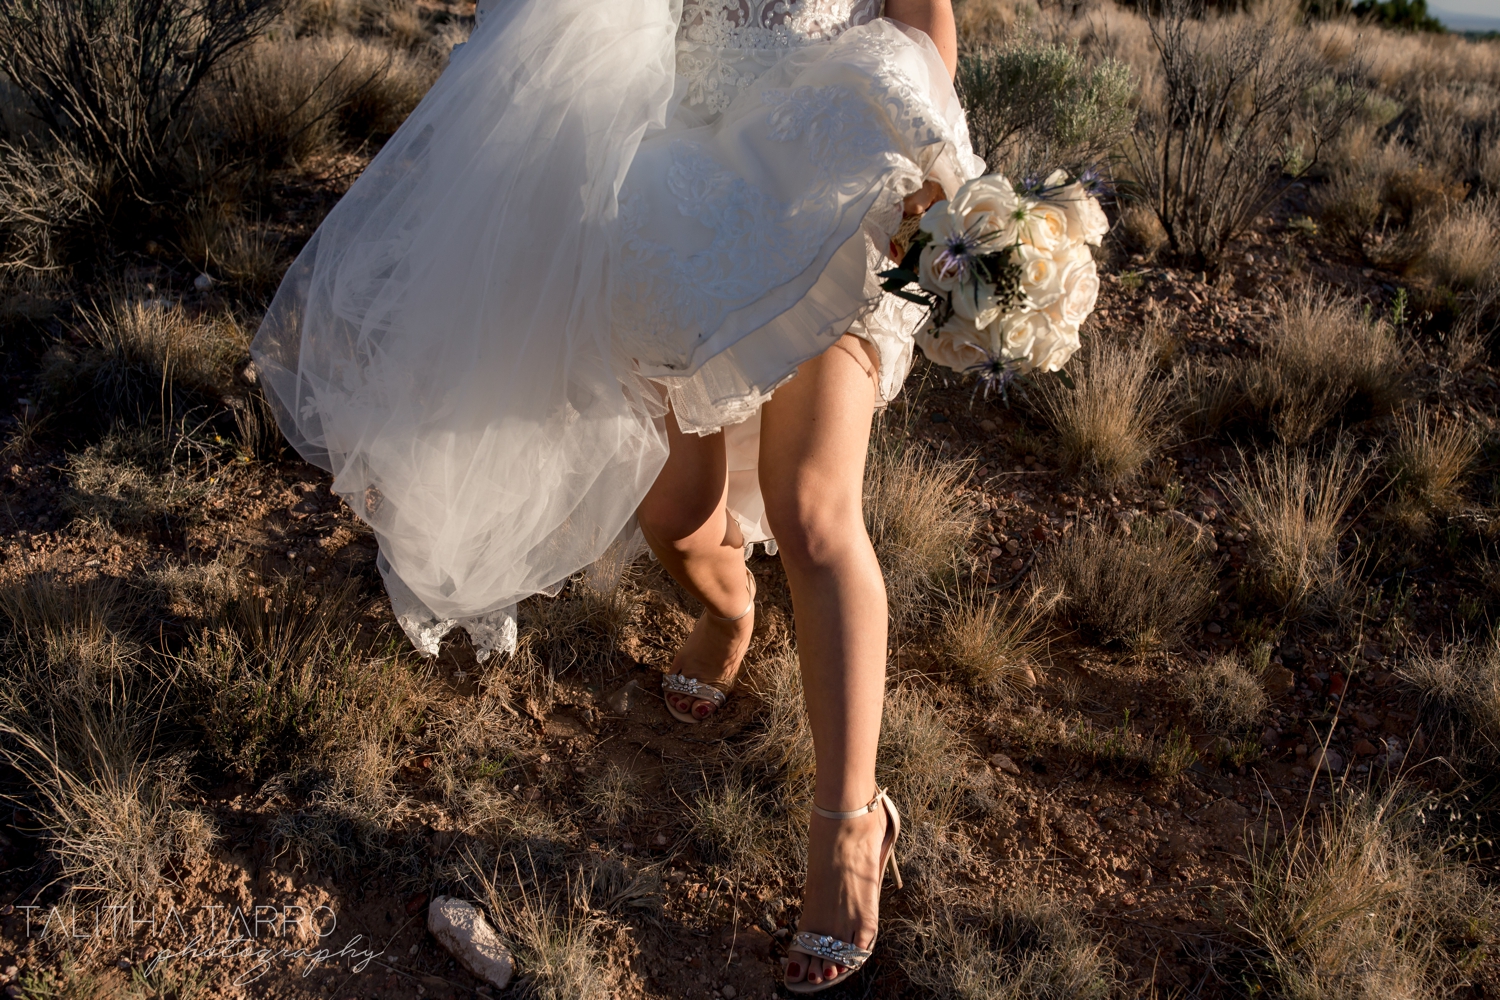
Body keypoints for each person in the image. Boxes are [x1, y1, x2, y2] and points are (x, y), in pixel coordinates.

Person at [252, 0, 978, 989]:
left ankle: (853, 825)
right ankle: (731, 606)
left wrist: (937, 183)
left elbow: (923, 23)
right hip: (691, 209)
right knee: (677, 512)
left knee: (811, 508)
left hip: (845, 186)